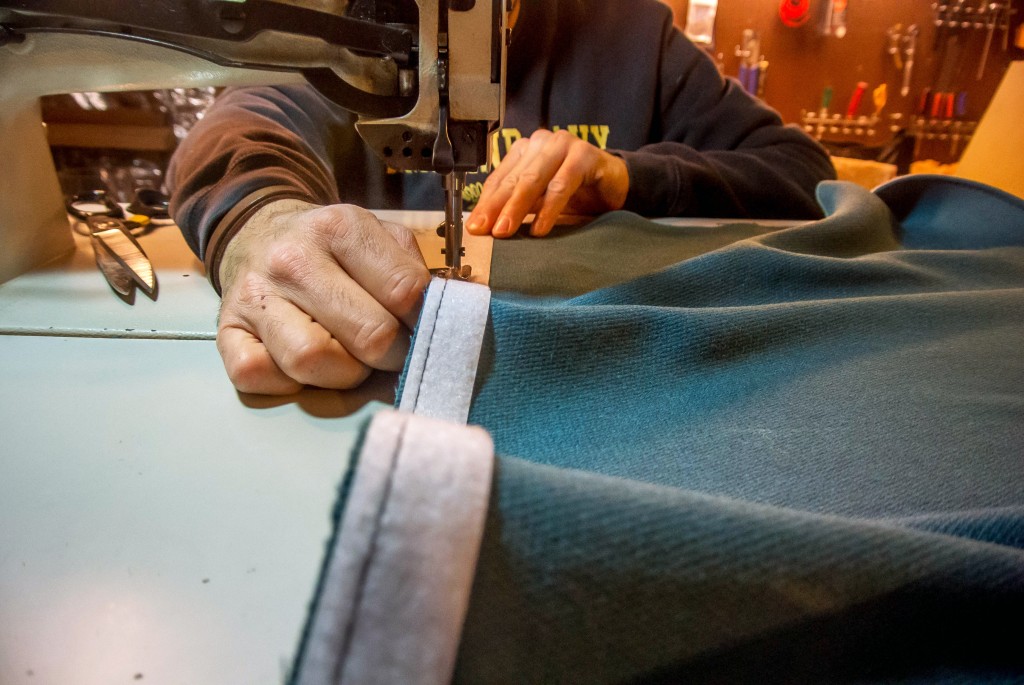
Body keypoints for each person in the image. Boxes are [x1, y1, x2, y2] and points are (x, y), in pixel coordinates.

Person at [168, 0, 837, 395]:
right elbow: (241, 127)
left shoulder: (631, 36)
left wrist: (633, 177)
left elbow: (802, 174)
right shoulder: (350, 30)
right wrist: (263, 222)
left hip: (609, 374)